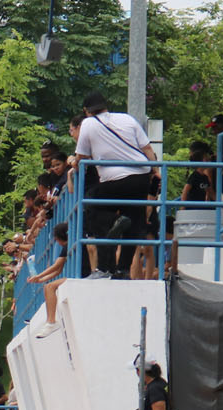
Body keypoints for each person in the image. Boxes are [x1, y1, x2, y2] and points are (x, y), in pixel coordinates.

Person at [75, 91, 159, 279]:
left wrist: (74, 163)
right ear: (105, 105)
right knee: (134, 222)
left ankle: (105, 267)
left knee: (93, 209)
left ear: (87, 111)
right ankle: (123, 270)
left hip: (113, 181)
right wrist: (155, 170)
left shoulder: (88, 123)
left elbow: (81, 155)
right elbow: (147, 148)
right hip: (141, 177)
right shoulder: (127, 119)